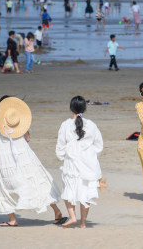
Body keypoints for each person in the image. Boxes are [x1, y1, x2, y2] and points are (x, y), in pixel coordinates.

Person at [0, 96, 65, 226]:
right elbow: (28, 139)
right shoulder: (21, 122)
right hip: (25, 156)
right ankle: (57, 212)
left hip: (7, 159)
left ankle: (12, 219)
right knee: (38, 181)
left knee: (6, 186)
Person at [55, 96, 103, 228]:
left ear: (71, 109)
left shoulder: (65, 125)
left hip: (72, 162)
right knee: (85, 192)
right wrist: (92, 154)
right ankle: (83, 223)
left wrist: (61, 156)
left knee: (68, 190)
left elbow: (60, 145)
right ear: (85, 108)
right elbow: (99, 145)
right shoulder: (91, 125)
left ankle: (72, 217)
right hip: (88, 162)